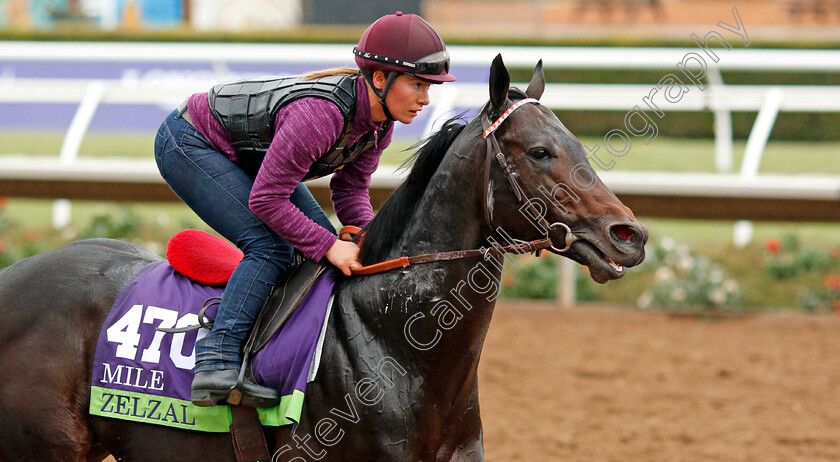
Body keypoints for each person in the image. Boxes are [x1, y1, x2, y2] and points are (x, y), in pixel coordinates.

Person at [154, 11, 455, 408]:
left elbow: (350, 188)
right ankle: (216, 360)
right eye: (417, 84)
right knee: (271, 246)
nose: (425, 98)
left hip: (251, 159)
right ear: (380, 79)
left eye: (429, 87)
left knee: (317, 254)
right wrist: (330, 245)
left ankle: (271, 354)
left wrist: (366, 236)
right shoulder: (321, 115)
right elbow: (267, 199)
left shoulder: (380, 124)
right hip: (190, 142)